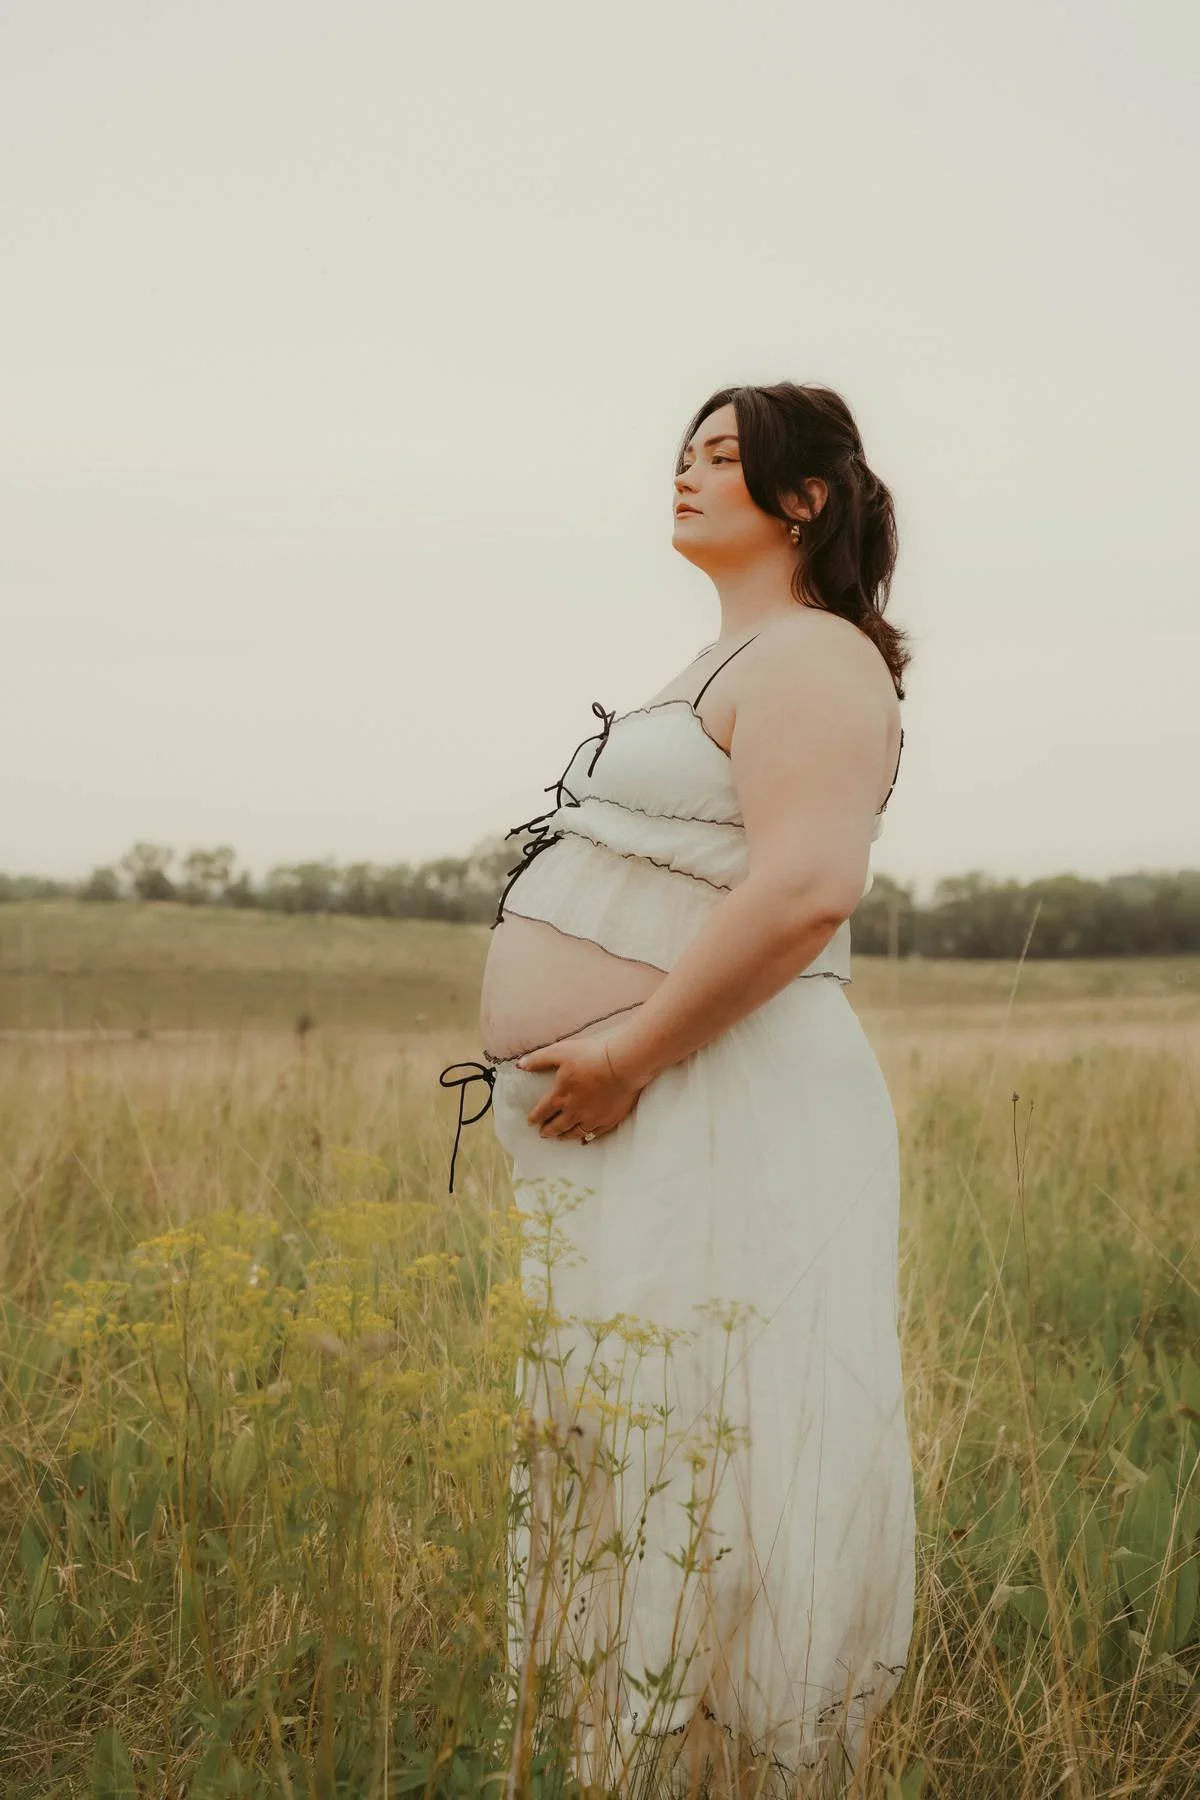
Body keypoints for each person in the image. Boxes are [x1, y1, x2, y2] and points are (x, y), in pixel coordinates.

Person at [439, 381, 915, 1791]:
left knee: (721, 1427)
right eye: (684, 453)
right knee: (627, 1429)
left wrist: (631, 1053)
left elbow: (812, 887)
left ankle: (733, 1759)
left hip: (715, 1097)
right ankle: (632, 1750)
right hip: (645, 1107)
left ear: (806, 496)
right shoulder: (729, 657)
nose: (688, 474)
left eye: (725, 457)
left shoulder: (818, 656)